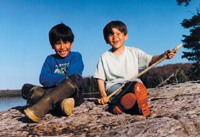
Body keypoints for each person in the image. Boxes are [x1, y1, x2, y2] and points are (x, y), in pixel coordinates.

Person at [93, 20, 176, 116]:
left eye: (118, 33)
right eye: (111, 34)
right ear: (106, 39)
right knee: (117, 91)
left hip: (131, 84)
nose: (115, 37)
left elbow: (150, 59)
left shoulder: (134, 52)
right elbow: (100, 79)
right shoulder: (104, 57)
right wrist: (103, 95)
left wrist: (163, 55)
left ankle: (126, 105)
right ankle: (128, 103)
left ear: (126, 36)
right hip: (114, 86)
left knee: (137, 84)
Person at [21, 23, 84, 122]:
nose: (62, 47)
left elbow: (71, 76)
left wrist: (55, 79)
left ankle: (45, 103)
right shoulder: (50, 59)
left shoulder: (76, 56)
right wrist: (63, 77)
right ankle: (61, 105)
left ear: (71, 43)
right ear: (52, 45)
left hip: (71, 94)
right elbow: (43, 79)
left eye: (66, 42)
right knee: (26, 88)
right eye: (58, 43)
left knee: (76, 78)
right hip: (53, 92)